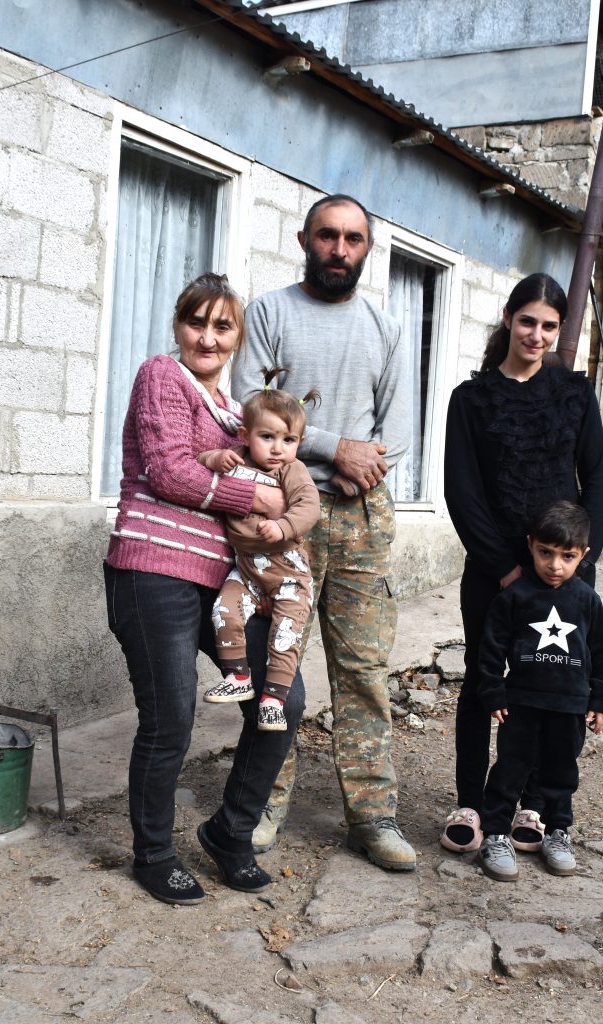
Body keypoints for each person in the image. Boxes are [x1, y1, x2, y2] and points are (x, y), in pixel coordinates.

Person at [103, 272, 305, 906]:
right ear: (178, 325)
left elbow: (280, 471)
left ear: (238, 337)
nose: (208, 338)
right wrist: (258, 497)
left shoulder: (240, 415)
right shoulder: (161, 376)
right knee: (171, 717)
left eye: (223, 327)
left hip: (221, 582)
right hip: (153, 569)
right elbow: (168, 472)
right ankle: (154, 853)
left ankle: (229, 832)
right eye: (197, 323)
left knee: (283, 701)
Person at [232, 194, 416, 871]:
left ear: (367, 248)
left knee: (363, 670)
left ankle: (373, 816)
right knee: (275, 663)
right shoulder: (270, 313)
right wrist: (334, 448)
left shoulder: (385, 328)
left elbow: (399, 431)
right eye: (328, 235)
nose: (340, 249)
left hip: (363, 517)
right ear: (303, 239)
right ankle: (260, 803)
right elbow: (247, 408)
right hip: (282, 517)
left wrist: (356, 465)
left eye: (353, 239)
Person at [442, 272, 603, 856]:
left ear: (559, 330)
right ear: (508, 320)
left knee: (556, 686)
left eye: (549, 326)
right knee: (482, 679)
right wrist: (505, 568)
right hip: (494, 573)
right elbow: (462, 491)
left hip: (564, 574)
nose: (536, 335)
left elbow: (598, 479)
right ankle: (471, 802)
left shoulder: (575, 395)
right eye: (527, 322)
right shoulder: (471, 399)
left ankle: (534, 807)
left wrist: (580, 561)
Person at [475, 501, 603, 881]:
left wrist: (600, 700)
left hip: (569, 707)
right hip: (521, 704)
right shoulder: (514, 596)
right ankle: (496, 834)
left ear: (583, 554)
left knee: (561, 772)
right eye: (545, 553)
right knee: (510, 769)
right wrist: (494, 692)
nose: (555, 565)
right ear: (530, 546)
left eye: (567, 556)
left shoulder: (587, 600)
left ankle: (557, 832)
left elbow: (600, 653)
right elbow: (491, 649)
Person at [197, 373, 321, 732]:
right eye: (267, 437)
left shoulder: (292, 470)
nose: (277, 448)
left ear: (298, 443)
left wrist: (283, 527)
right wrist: (214, 457)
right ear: (245, 435)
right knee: (223, 611)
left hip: (288, 573)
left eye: (288, 440)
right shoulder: (237, 458)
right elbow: (199, 460)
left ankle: (273, 700)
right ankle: (238, 677)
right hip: (247, 569)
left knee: (284, 635)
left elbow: (308, 506)